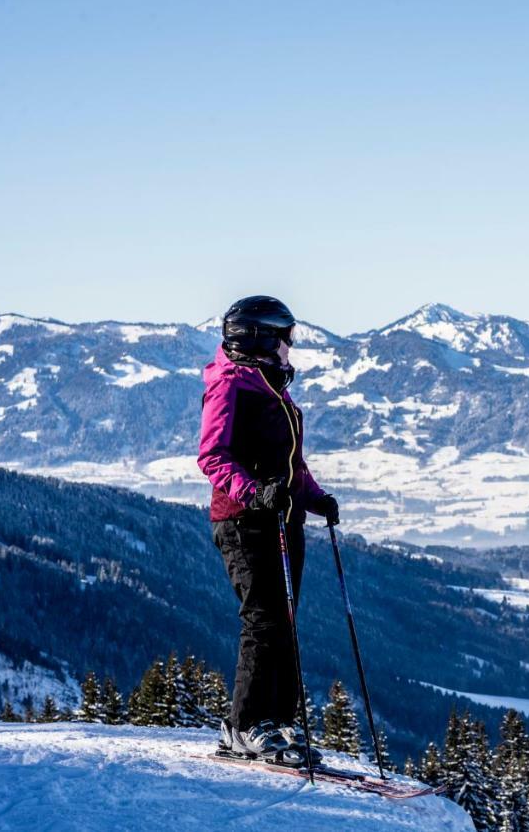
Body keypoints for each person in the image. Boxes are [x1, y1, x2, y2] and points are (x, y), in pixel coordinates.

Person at [197, 295, 339, 762]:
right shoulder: (230, 386)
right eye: (286, 337)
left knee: (284, 621)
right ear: (259, 337)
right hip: (244, 521)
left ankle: (278, 722)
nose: (290, 347)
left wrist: (315, 498)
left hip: (283, 517)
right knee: (262, 620)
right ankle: (243, 727)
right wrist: (255, 492)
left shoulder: (270, 383)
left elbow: (289, 463)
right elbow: (213, 456)